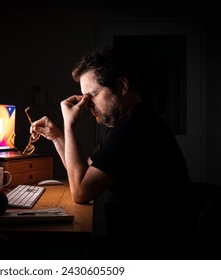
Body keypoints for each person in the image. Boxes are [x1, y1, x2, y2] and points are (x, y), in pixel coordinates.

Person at [30, 45, 195, 259]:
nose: (86, 105)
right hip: (137, 242)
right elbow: (83, 172)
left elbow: (80, 192)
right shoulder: (126, 124)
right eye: (83, 97)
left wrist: (69, 126)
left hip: (151, 250)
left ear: (122, 86)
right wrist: (58, 137)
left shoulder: (136, 127)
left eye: (92, 95)